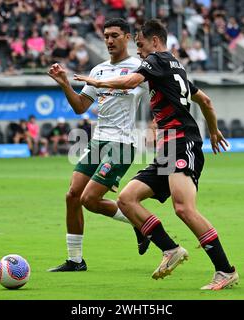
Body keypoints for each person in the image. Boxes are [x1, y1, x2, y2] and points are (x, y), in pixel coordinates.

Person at [74, 19, 238, 290]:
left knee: (184, 208)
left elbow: (130, 81)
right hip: (169, 148)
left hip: (182, 142)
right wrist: (214, 131)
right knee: (127, 199)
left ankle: (225, 270)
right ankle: (170, 249)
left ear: (155, 41)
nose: (138, 51)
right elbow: (205, 101)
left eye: (140, 45)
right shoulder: (176, 68)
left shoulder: (158, 60)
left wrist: (95, 81)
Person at [47, 18, 151, 272]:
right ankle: (75, 260)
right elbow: (80, 106)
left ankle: (142, 223)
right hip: (97, 141)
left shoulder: (140, 67)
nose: (109, 41)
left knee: (90, 200)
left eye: (115, 35)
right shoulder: (98, 70)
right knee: (73, 195)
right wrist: (64, 84)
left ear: (127, 37)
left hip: (122, 143)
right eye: (106, 36)